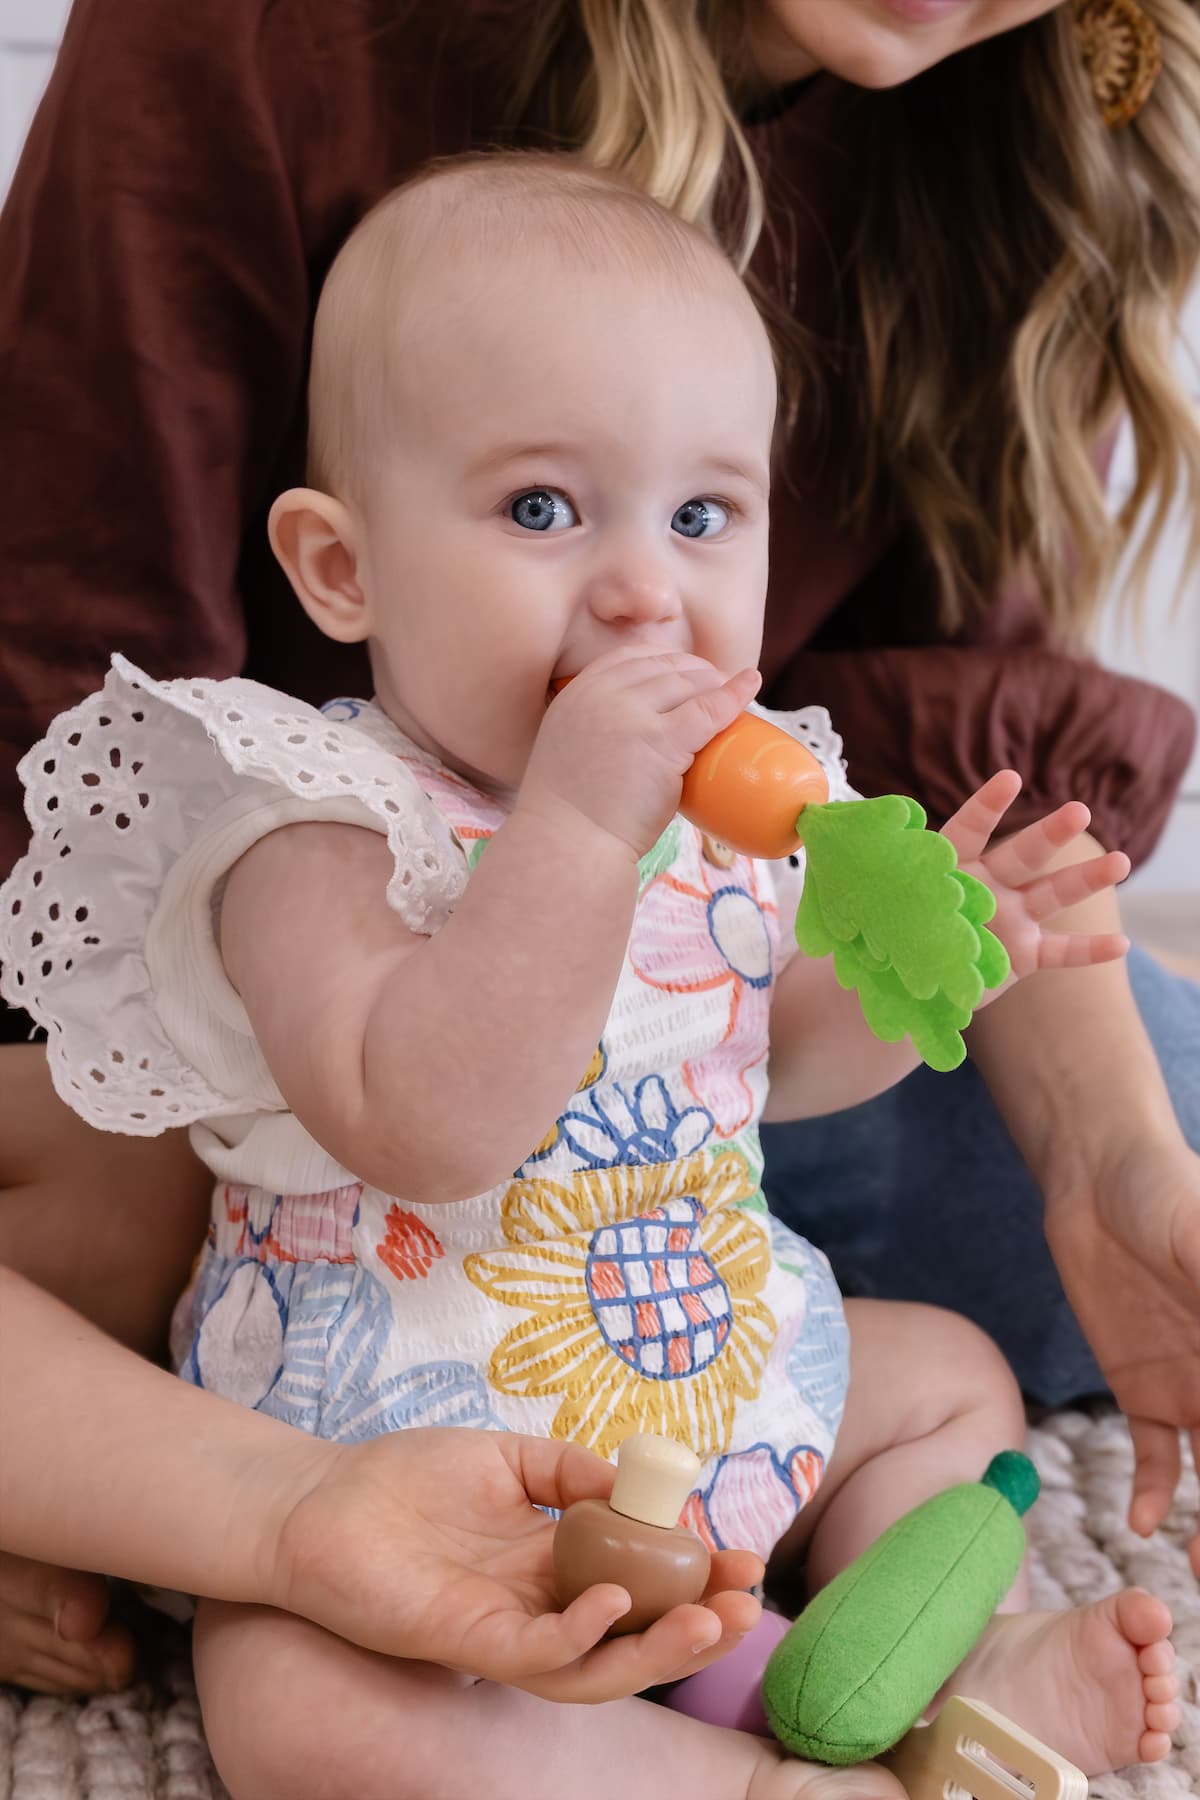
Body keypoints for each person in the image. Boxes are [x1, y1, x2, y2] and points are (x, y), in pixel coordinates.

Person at [1, 0, 1198, 1699]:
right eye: (546, 513)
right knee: (298, 1708)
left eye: (705, 518)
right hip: (425, 1414)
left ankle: (939, 1659)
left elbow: (776, 1055)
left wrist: (942, 956)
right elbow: (427, 1116)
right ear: (340, 573)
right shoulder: (306, 811)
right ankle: (718, 1756)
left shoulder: (736, 796)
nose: (647, 592)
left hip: (683, 1360)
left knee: (946, 1378)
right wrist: (568, 828)